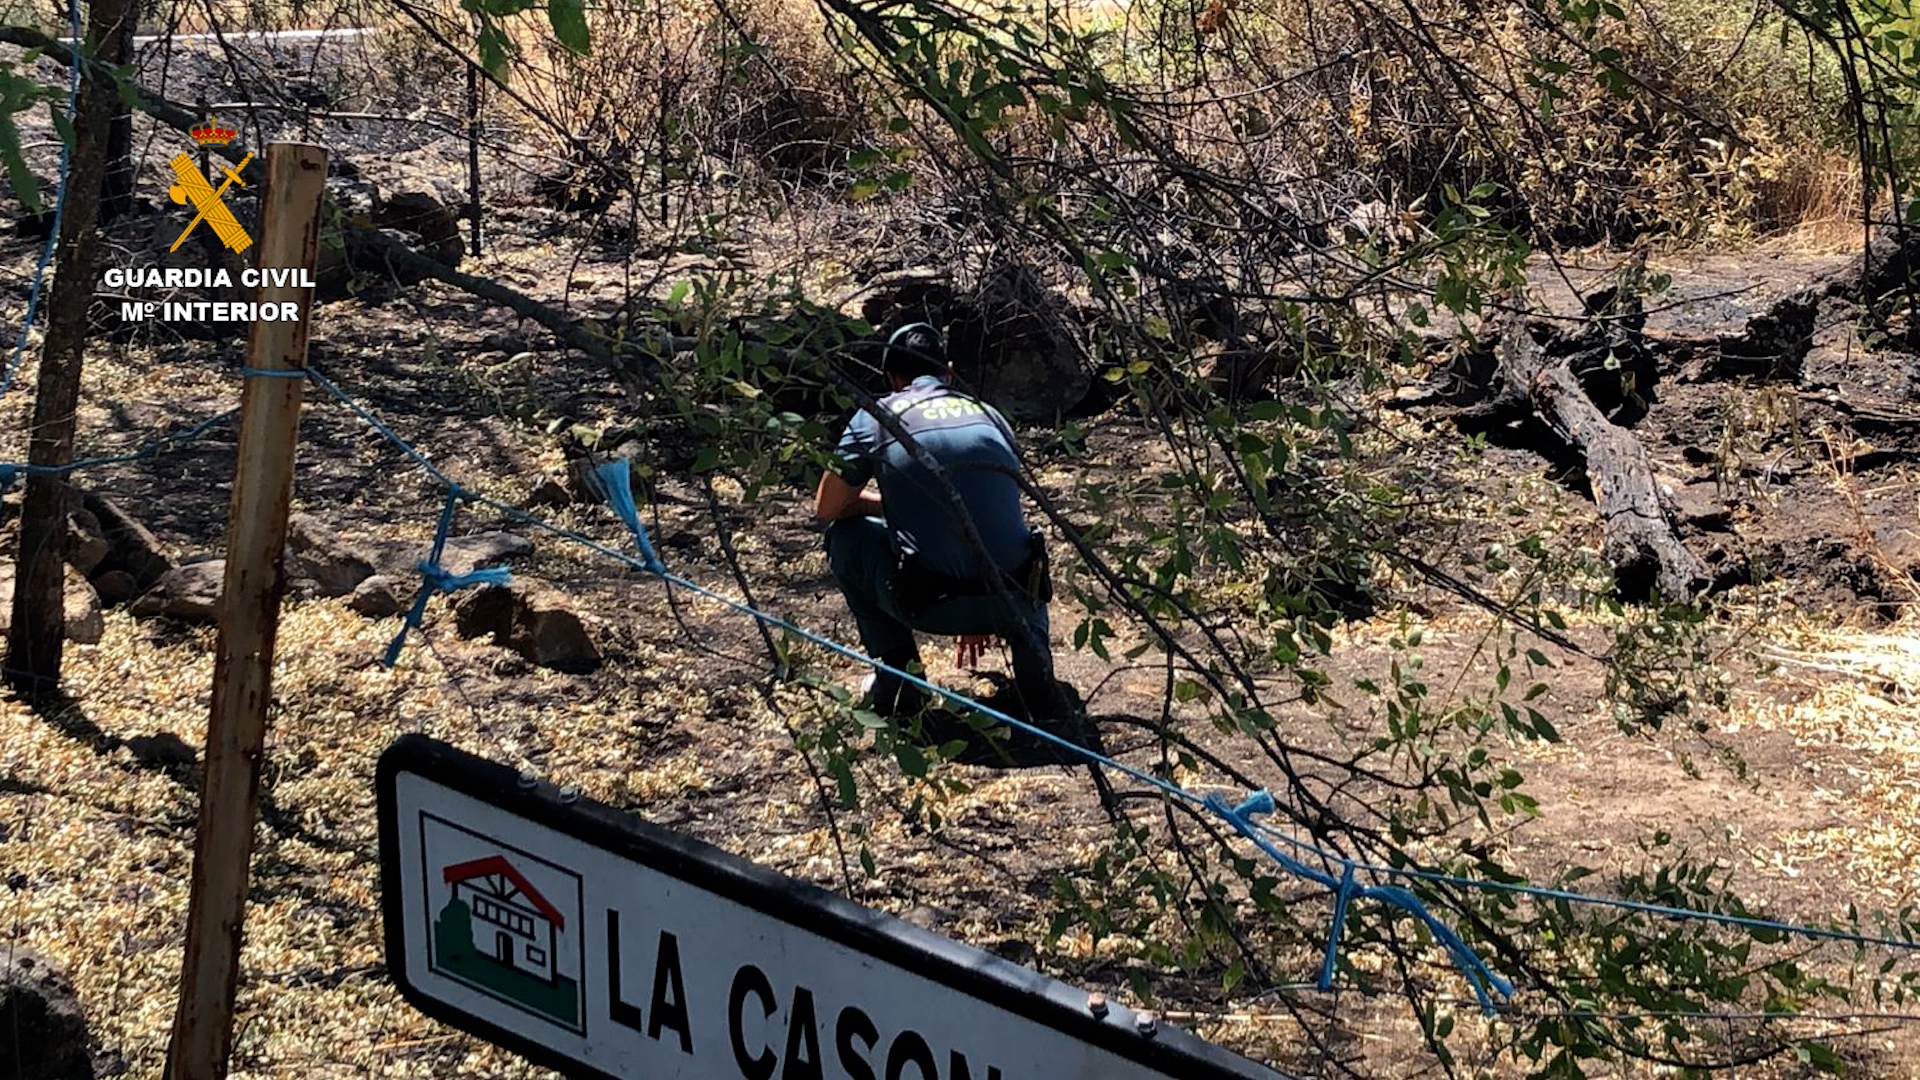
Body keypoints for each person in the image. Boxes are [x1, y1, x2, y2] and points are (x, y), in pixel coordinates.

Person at [815, 323, 1071, 726]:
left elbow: (828, 506)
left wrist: (890, 507)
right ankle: (1032, 651)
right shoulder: (992, 416)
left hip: (930, 601)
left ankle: (900, 683)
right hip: (1011, 595)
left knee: (845, 538)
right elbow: (986, 507)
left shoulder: (878, 417)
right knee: (1025, 540)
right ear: (948, 373)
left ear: (891, 379)